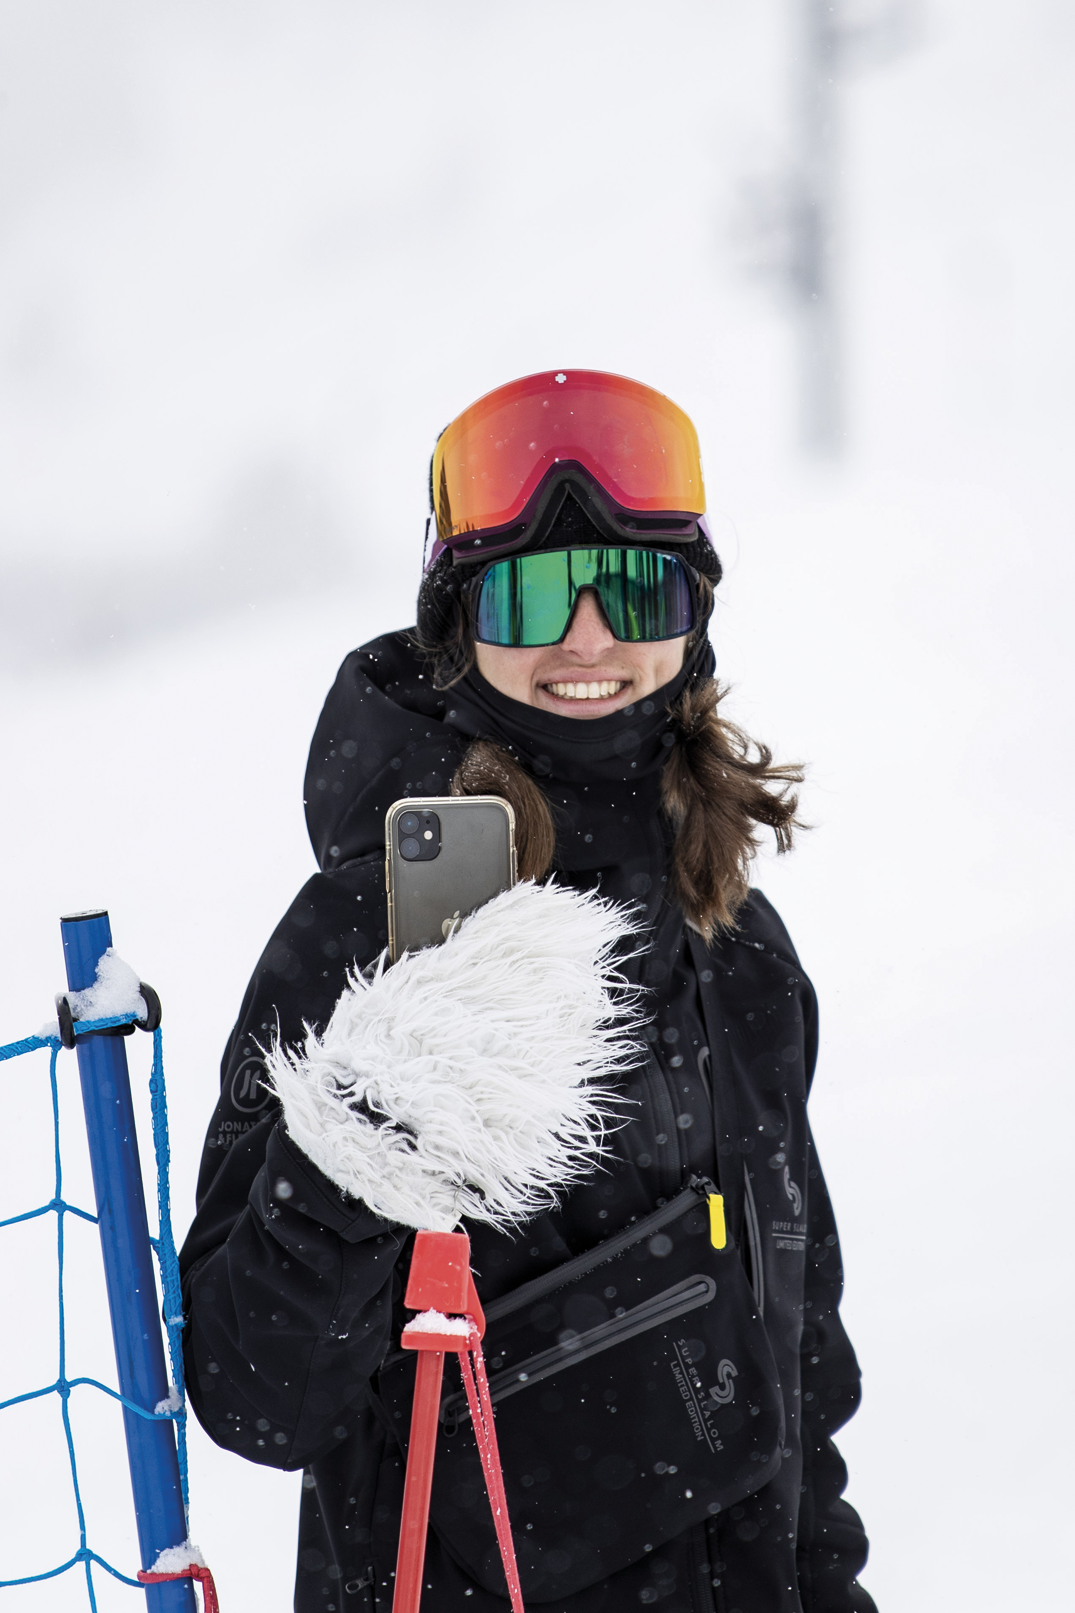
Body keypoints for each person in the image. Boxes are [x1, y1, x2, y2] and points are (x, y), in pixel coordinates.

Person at [179, 370, 876, 1613]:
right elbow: (252, 1393)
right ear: (460, 618)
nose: (591, 638)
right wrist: (354, 1152)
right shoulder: (368, 931)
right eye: (538, 590)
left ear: (694, 614)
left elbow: (798, 1374)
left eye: (639, 584)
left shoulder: (741, 948)